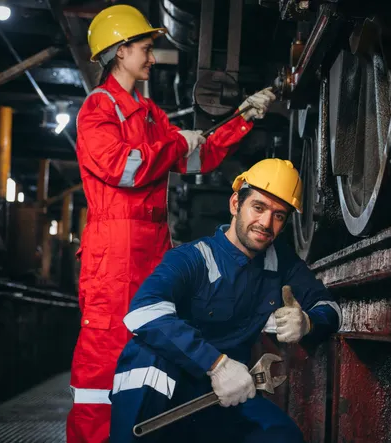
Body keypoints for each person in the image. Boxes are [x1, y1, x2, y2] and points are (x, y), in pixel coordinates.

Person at [67, 5, 277, 443]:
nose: (151, 56)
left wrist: (242, 119)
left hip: (150, 249)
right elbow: (123, 168)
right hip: (114, 254)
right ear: (120, 51)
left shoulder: (148, 114)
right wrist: (174, 144)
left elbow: (198, 158)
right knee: (103, 365)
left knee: (152, 349)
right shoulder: (99, 108)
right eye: (145, 48)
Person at [108, 159, 342, 443]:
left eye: (279, 215)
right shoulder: (192, 258)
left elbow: (330, 308)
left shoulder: (281, 263)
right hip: (170, 388)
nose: (266, 223)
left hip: (225, 394)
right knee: (147, 358)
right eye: (258, 207)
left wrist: (308, 322)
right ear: (235, 204)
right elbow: (144, 311)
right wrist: (215, 364)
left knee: (282, 437)